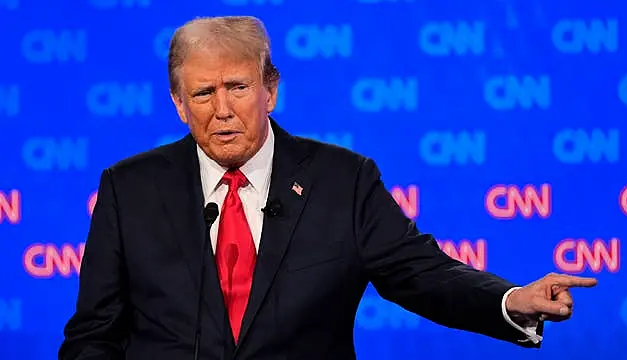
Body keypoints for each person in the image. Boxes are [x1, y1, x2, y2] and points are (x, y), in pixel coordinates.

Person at [58, 15, 597, 360]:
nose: (221, 110)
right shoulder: (129, 188)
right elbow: (93, 333)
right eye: (202, 93)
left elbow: (421, 275)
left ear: (270, 90)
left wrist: (511, 300)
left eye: (238, 88)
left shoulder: (343, 181)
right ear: (178, 103)